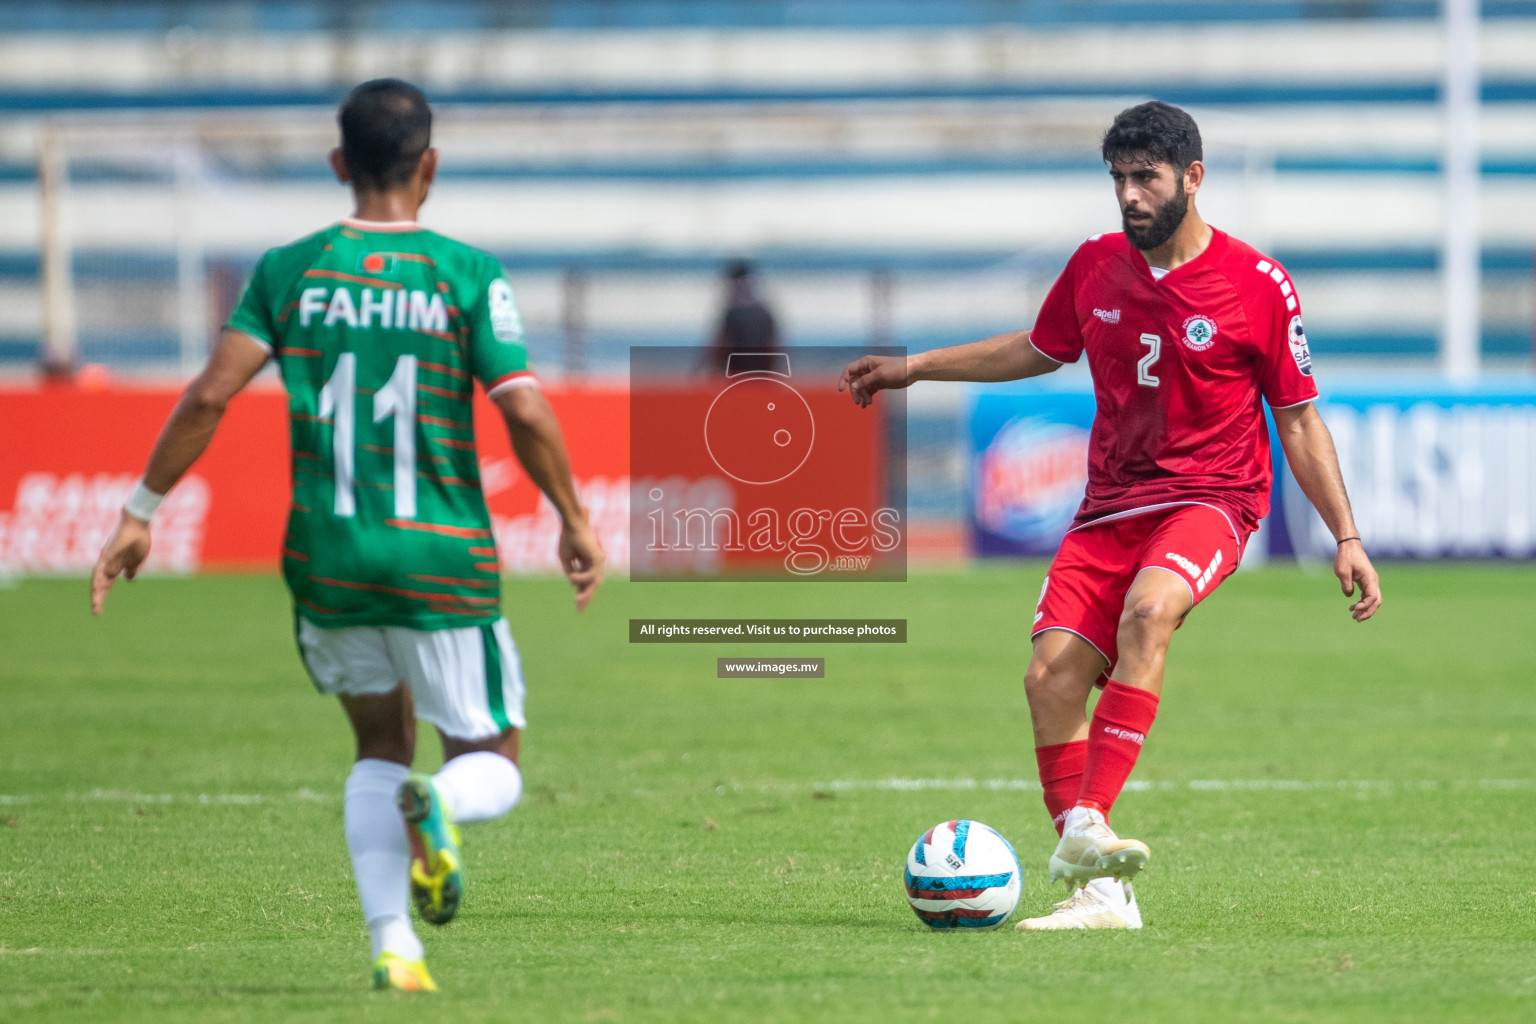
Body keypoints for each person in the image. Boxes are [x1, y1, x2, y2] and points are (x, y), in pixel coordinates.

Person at [89, 79, 604, 988]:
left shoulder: (289, 271)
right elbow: (522, 407)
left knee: (376, 746)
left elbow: (209, 394)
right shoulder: (465, 273)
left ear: (339, 165)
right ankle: (440, 805)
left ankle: (394, 946)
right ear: (430, 166)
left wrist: (140, 513)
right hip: (439, 557)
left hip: (326, 562)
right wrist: (572, 515)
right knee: (494, 759)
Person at [838, 101, 1381, 930]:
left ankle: (1087, 823)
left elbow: (1300, 419)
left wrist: (1345, 535)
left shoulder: (1258, 285)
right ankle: (1100, 894)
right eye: (1119, 179)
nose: (1129, 196)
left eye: (1145, 178)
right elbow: (1039, 346)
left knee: (1149, 610)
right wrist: (915, 368)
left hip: (1213, 497)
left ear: (1192, 179)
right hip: (1109, 506)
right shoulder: (1096, 265)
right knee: (1050, 679)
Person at [703, 259, 778, 374]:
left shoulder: (733, 313)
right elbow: (773, 351)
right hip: (762, 379)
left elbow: (720, 349)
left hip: (736, 379)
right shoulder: (765, 313)